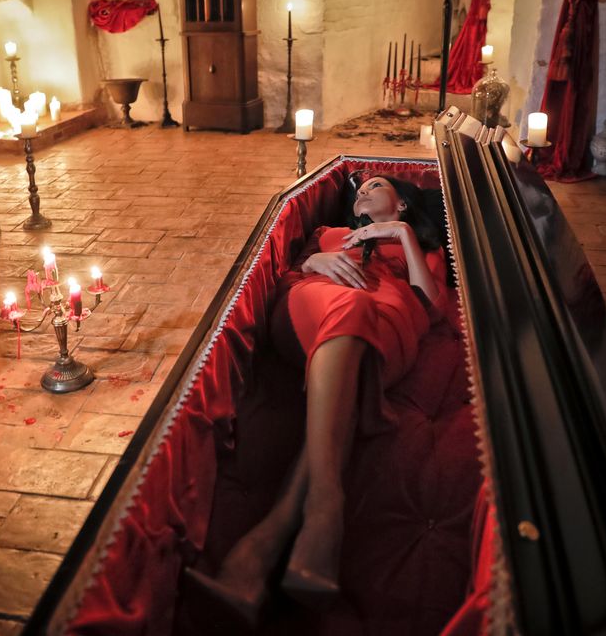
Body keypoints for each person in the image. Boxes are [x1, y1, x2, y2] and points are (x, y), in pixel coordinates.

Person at [186, 175, 448, 624]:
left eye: (376, 186)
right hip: (311, 306)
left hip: (389, 321)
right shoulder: (329, 235)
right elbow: (284, 277)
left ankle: (257, 555)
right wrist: (316, 264)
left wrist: (401, 237)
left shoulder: (421, 249)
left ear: (402, 205)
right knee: (350, 305)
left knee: (358, 318)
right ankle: (326, 509)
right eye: (359, 189)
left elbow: (431, 304)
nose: (362, 192)